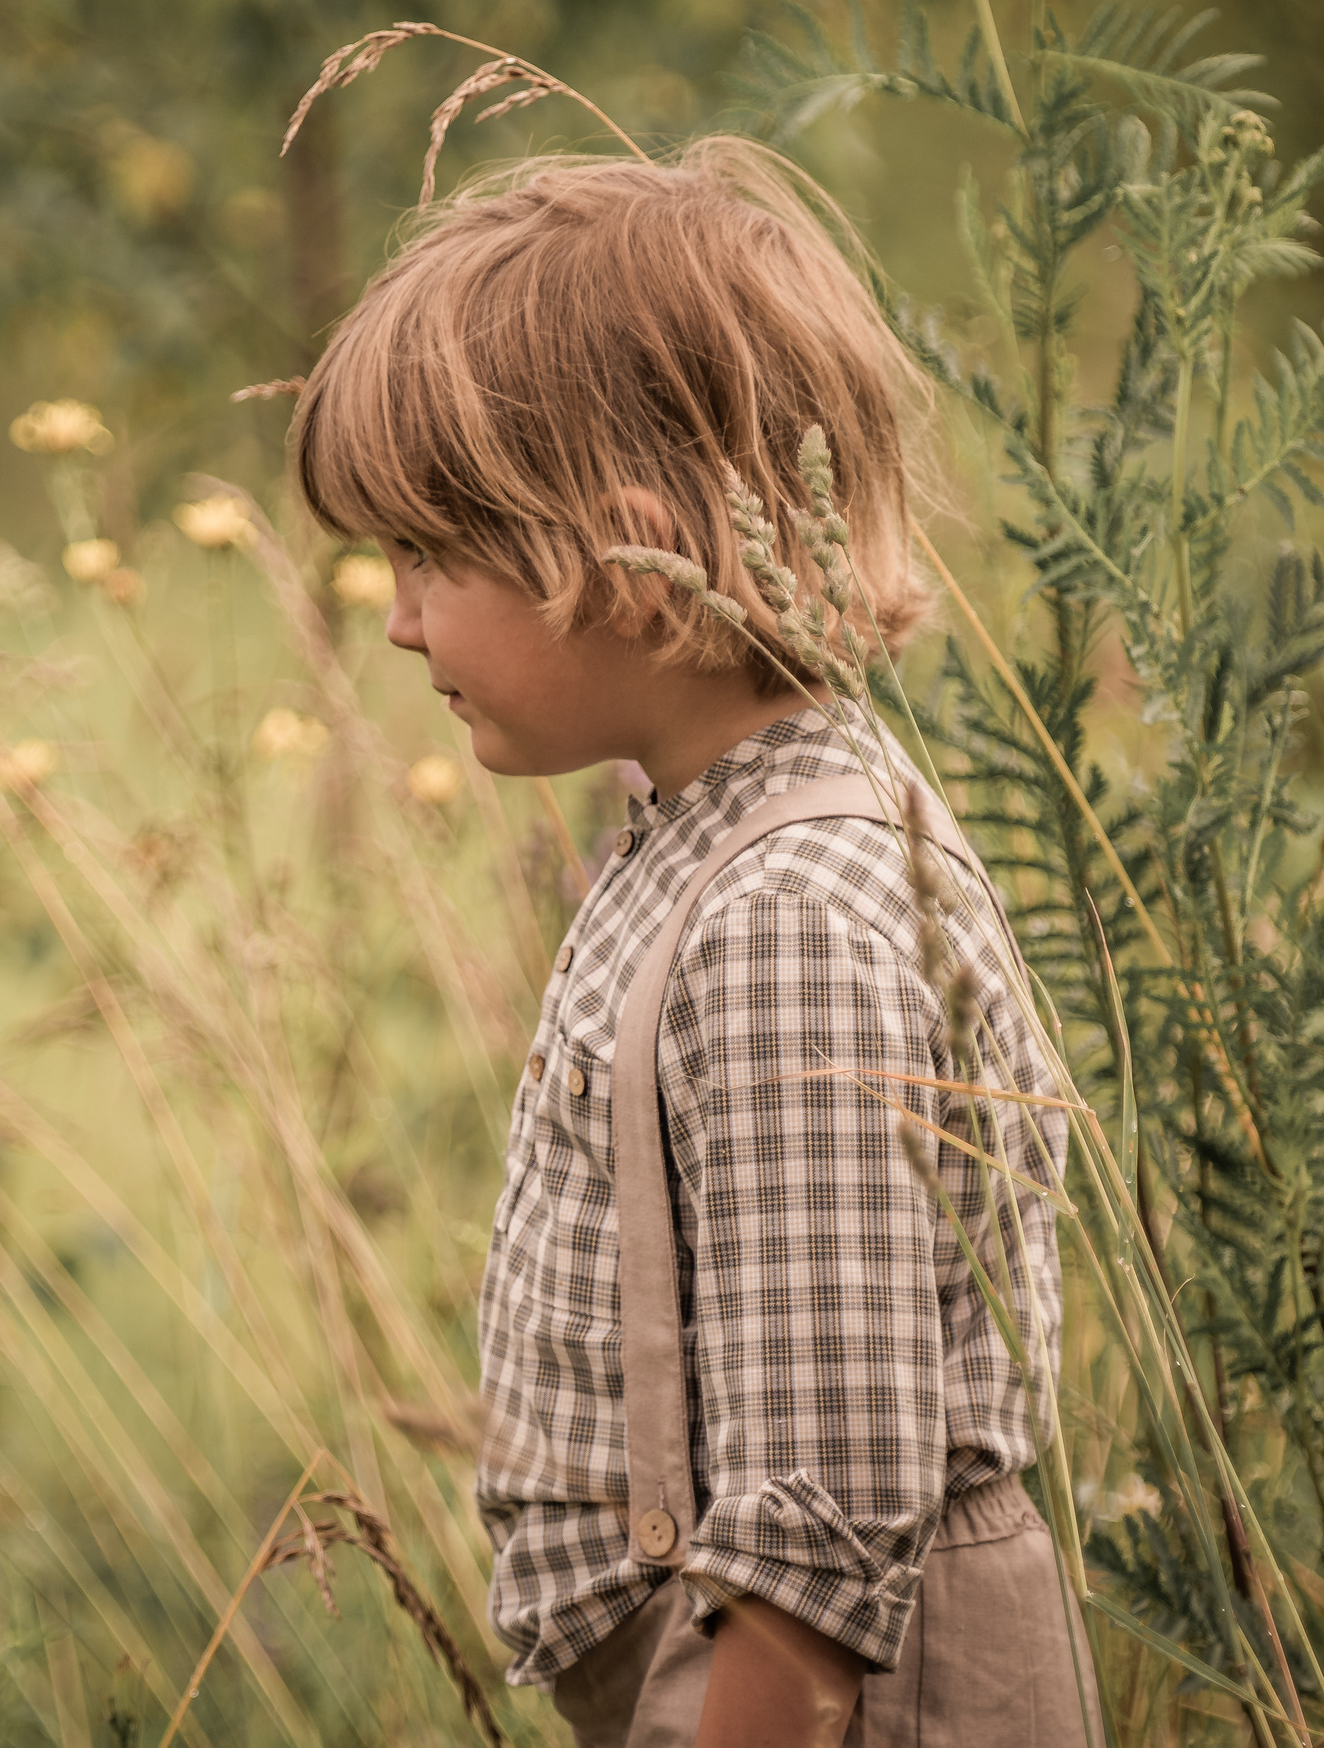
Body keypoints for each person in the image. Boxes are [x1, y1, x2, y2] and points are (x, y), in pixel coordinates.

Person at [289, 138, 1098, 1747]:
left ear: (626, 551)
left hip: (829, 1696)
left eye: (432, 557)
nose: (395, 620)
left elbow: (823, 1522)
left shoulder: (789, 921)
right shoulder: (701, 839)